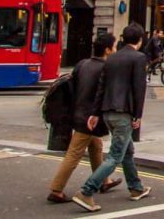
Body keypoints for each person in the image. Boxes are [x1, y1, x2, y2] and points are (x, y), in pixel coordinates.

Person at [72, 24, 151, 212]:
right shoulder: (139, 58)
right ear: (140, 40)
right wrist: (137, 115)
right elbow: (139, 89)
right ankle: (86, 191)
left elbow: (102, 86)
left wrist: (95, 112)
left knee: (127, 150)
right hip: (123, 112)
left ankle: (136, 187)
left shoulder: (112, 58)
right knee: (115, 156)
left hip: (107, 112)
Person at [47, 34, 123, 204]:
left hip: (78, 113)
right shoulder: (106, 68)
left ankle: (104, 181)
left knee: (96, 146)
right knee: (74, 153)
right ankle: (56, 189)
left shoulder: (82, 64)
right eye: (115, 46)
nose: (116, 50)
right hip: (90, 118)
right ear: (108, 50)